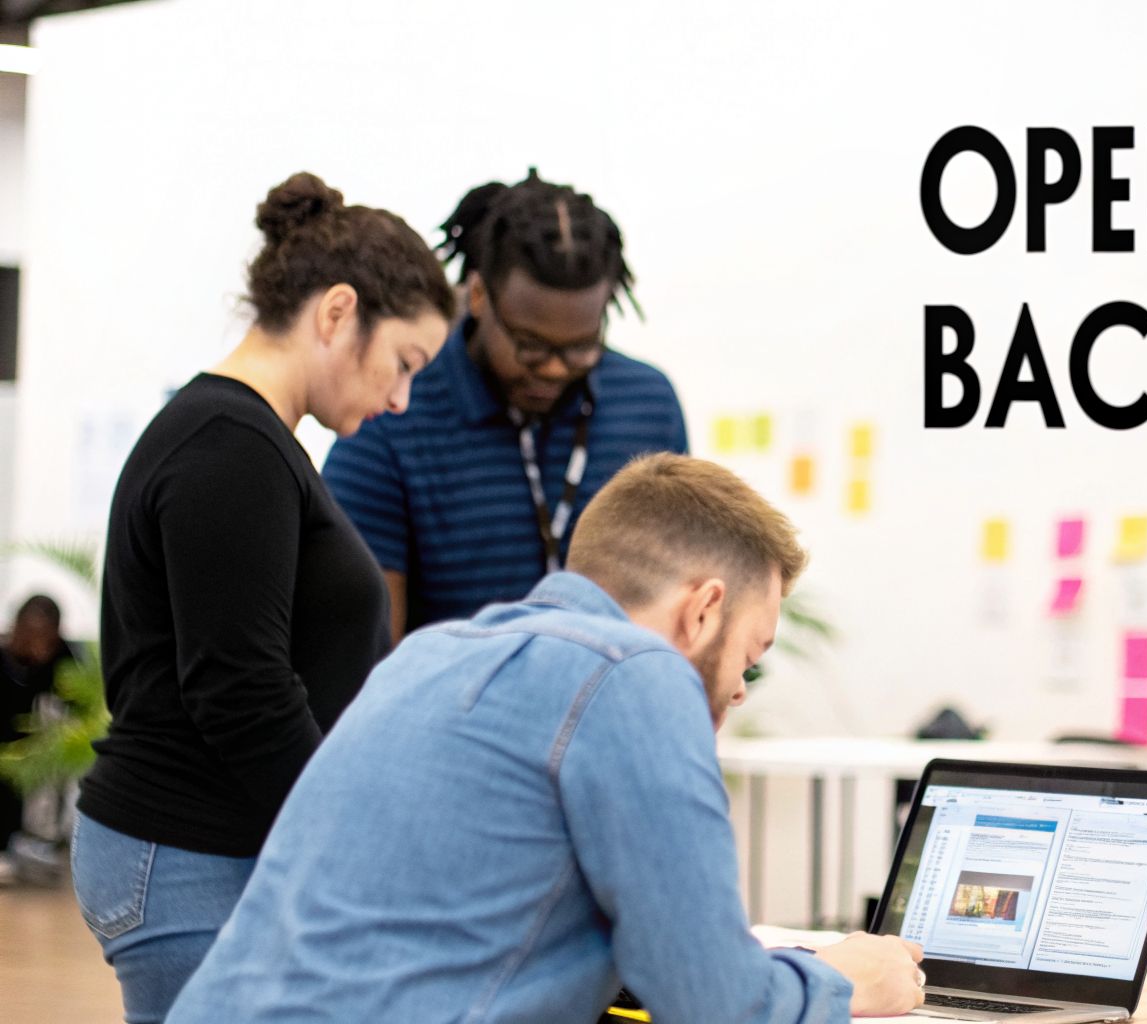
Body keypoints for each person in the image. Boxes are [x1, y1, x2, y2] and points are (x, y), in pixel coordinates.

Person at [168, 454, 925, 1022]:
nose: (736, 690)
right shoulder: (637, 673)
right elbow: (713, 1002)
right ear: (703, 611)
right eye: (749, 658)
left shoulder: (431, 656)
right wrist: (851, 978)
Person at [71, 172, 456, 1023]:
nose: (400, 398)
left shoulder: (249, 441)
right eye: (403, 363)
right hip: (186, 853)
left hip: (204, 846)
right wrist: (355, 839)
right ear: (336, 313)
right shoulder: (229, 447)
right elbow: (240, 688)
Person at [323, 169, 688, 644]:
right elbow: (370, 654)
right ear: (477, 296)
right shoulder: (392, 415)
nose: (555, 369)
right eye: (530, 345)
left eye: (580, 347)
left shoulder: (649, 404)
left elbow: (680, 594)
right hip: (454, 715)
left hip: (613, 707)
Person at [0, 594, 75, 875]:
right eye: (32, 635)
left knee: (21, 785)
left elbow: (77, 698)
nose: (39, 646)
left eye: (46, 638)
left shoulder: (59, 655)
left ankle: (16, 843)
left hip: (25, 740)